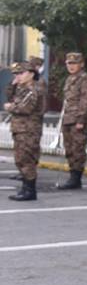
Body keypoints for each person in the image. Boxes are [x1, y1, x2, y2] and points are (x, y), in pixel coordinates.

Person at [5, 61, 44, 201]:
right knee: (20, 159)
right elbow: (10, 96)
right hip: (20, 129)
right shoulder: (22, 88)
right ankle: (25, 188)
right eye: (16, 74)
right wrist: (13, 83)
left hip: (29, 130)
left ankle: (30, 190)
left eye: (21, 73)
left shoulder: (32, 89)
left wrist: (10, 107)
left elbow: (25, 108)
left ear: (31, 74)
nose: (18, 76)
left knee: (27, 159)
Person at [56, 52, 87, 190]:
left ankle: (76, 178)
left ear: (81, 64)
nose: (71, 66)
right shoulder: (70, 79)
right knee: (70, 149)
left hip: (77, 119)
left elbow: (86, 100)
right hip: (67, 119)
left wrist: (81, 119)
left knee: (77, 149)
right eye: (69, 63)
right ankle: (73, 176)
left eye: (74, 63)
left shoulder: (84, 78)